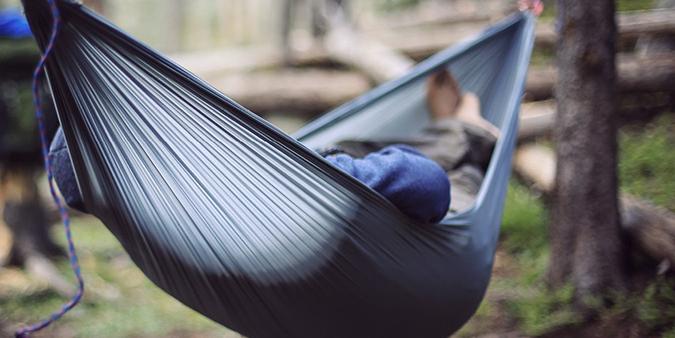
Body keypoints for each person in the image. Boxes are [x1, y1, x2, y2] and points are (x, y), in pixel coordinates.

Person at [48, 69, 498, 223]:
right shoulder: (230, 193)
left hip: (326, 169)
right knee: (454, 165)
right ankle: (463, 126)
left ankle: (449, 128)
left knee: (357, 144)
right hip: (419, 206)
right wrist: (341, 170)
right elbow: (429, 185)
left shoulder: (151, 226)